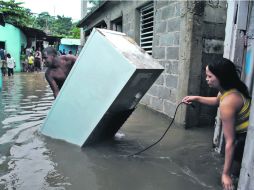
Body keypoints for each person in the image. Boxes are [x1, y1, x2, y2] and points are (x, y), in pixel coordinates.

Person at [182, 58, 251, 190]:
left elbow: (230, 141)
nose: (207, 79)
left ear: (221, 77)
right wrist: (196, 98)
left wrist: (225, 174)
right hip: (242, 133)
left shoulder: (228, 103)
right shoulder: (227, 89)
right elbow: (216, 101)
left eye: (209, 76)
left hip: (245, 136)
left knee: (235, 171)